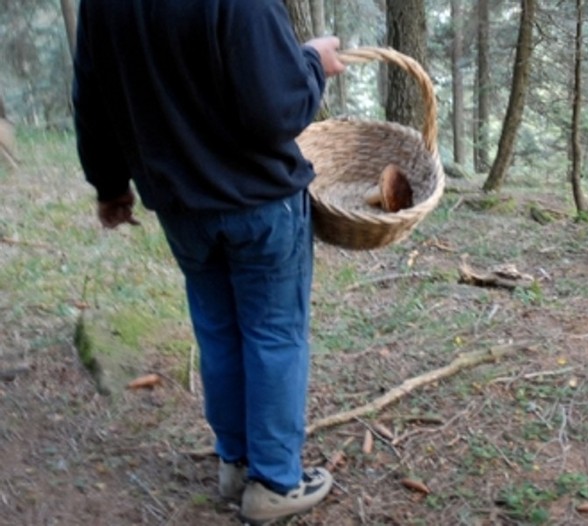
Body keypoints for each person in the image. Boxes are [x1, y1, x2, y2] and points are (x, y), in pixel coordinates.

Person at [72, 0, 345, 523]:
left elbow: (92, 96)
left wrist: (110, 186)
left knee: (218, 332)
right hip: (260, 204)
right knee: (273, 335)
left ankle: (236, 464)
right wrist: (312, 61)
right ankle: (275, 482)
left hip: (182, 207)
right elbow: (278, 110)